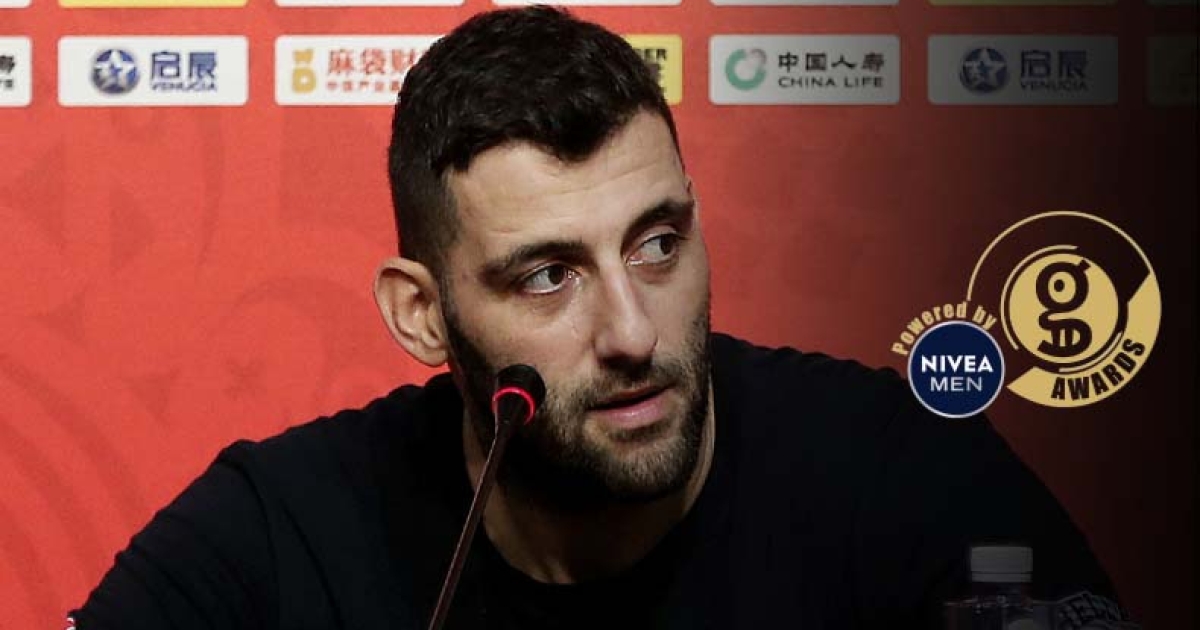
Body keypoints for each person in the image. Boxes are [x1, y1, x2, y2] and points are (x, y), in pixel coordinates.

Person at [71, 6, 1127, 629]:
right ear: (423, 314)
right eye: (547, 276)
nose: (633, 333)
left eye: (657, 244)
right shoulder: (280, 534)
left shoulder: (902, 472)